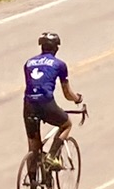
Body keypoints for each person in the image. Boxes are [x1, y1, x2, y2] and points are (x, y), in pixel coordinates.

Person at [22, 31, 84, 170]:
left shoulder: (28, 63)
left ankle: (32, 181)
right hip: (45, 103)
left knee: (33, 147)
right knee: (66, 124)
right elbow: (67, 93)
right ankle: (52, 156)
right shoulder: (59, 64)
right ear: (56, 48)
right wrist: (77, 99)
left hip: (29, 104)